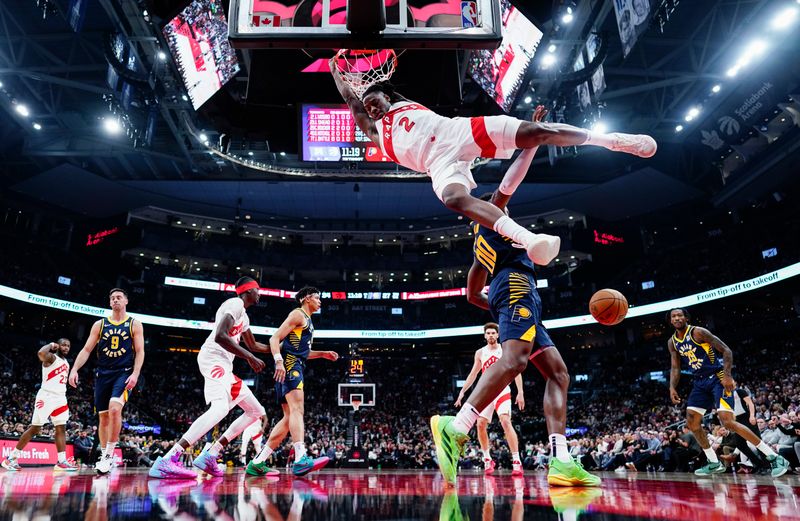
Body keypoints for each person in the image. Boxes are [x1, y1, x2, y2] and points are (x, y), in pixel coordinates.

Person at [330, 60, 656, 267]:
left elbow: (372, 93)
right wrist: (335, 71)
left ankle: (613, 141)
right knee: (453, 199)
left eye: (375, 101)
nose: (371, 108)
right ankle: (530, 240)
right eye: (368, 106)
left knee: (536, 132)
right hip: (437, 164)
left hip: (457, 132)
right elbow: (350, 99)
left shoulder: (403, 104)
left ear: (388, 96)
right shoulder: (374, 131)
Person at [430, 109, 600, 486]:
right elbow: (513, 178)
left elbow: (473, 293)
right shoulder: (494, 213)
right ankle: (455, 428)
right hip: (518, 284)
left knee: (558, 373)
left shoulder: (477, 252)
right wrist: (532, 141)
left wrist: (496, 307)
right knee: (516, 360)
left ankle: (560, 459)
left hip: (511, 294)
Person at [148, 277, 269, 479]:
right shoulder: (235, 303)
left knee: (256, 411)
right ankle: (169, 458)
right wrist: (249, 357)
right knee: (220, 408)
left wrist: (282, 348)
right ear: (248, 291)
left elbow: (255, 345)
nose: (260, 293)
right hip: (213, 359)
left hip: (224, 365)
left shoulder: (244, 317)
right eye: (258, 290)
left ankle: (211, 455)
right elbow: (220, 336)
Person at [666, 308, 789, 477]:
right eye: (674, 316)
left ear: (686, 318)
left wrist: (728, 376)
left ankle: (774, 457)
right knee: (692, 422)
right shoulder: (672, 342)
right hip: (700, 382)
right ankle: (713, 462)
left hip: (718, 377)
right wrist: (672, 387)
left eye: (680, 315)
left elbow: (726, 350)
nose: (677, 318)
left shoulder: (698, 332)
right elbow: (675, 367)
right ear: (670, 321)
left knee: (727, 422)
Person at [246, 286, 339, 477]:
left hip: (293, 364)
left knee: (289, 419)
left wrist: (322, 354)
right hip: (289, 366)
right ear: (306, 298)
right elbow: (274, 339)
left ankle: (258, 462)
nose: (320, 301)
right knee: (298, 410)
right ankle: (300, 458)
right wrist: (279, 362)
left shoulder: (308, 321)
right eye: (317, 297)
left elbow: (300, 351)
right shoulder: (298, 315)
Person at [69, 288, 145, 475]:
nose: (115, 300)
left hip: (124, 372)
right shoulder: (100, 324)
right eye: (112, 298)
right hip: (103, 374)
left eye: (119, 297)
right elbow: (87, 349)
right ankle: (104, 455)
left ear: (126, 301)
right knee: (103, 418)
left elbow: (140, 351)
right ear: (109, 303)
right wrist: (74, 369)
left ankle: (110, 455)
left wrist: (135, 374)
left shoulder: (134, 324)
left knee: (114, 408)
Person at [455, 322, 525, 476]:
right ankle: (487, 459)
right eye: (488, 333)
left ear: (498, 335)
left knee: (505, 421)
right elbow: (473, 374)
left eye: (494, 333)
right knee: (480, 424)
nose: (491, 335)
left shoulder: (506, 349)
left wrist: (520, 392)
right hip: (486, 391)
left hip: (502, 389)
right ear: (485, 336)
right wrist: (462, 392)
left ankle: (516, 461)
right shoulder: (480, 353)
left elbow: (516, 371)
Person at [1, 339, 78, 472]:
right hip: (46, 397)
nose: (66, 347)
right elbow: (41, 353)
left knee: (61, 428)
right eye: (63, 345)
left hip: (60, 397)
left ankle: (61, 461)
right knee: (35, 429)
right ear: (58, 345)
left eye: (68, 346)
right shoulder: (51, 357)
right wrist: (50, 345)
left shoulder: (66, 362)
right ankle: (11, 458)